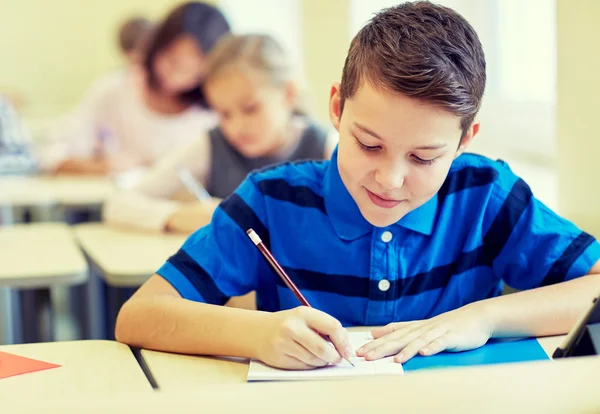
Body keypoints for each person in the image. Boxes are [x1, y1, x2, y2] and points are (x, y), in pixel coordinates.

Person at [114, 1, 600, 370]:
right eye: (368, 145)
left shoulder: (486, 195)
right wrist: (256, 333)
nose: (389, 179)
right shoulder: (270, 201)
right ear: (336, 109)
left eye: (424, 157)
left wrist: (482, 318)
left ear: (464, 141)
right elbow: (139, 315)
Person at [103, 34, 337, 233]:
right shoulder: (212, 144)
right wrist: (182, 216)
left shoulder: (326, 148)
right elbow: (118, 204)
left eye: (250, 108)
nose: (236, 126)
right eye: (224, 114)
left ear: (288, 94)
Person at [37, 2, 230, 176]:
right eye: (173, 62)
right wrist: (99, 167)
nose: (177, 78)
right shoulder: (115, 89)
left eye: (193, 74)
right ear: (157, 45)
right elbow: (51, 152)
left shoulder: (216, 113)